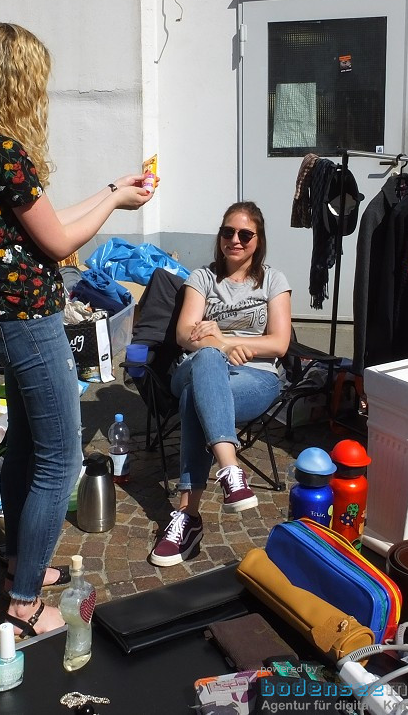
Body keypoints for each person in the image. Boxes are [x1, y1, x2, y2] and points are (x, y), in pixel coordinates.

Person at [0, 23, 152, 635]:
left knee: (29, 445)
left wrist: (112, 190)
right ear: (15, 81)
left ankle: (17, 563)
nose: (41, 94)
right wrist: (115, 205)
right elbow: (60, 241)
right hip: (28, 322)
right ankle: (24, 601)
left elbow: (46, 226)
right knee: (60, 458)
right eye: (36, 81)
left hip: (5, 318)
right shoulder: (3, 152)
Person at [148, 201, 292, 567]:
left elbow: (279, 343)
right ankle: (230, 468)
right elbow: (184, 334)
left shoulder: (274, 281)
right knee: (206, 363)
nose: (236, 240)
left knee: (198, 397)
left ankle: (188, 516)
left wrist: (223, 341)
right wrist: (214, 349)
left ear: (258, 240)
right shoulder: (202, 278)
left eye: (245, 234)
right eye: (228, 232)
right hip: (194, 366)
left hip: (256, 376)